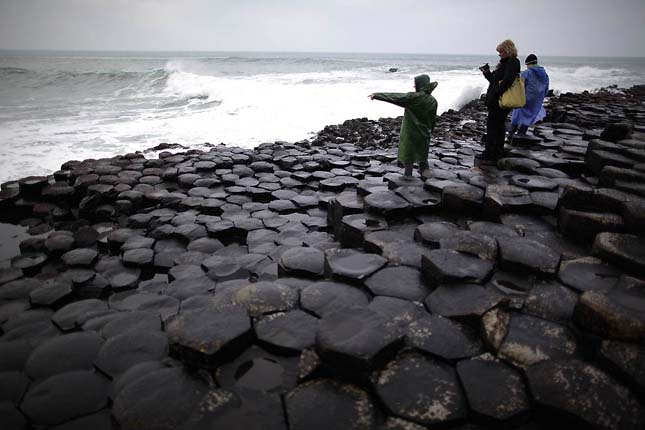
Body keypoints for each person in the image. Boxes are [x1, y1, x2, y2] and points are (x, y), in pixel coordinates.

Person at [369, 74, 438, 178]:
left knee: (408, 157)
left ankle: (407, 180)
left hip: (410, 132)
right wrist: (430, 131)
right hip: (424, 133)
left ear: (420, 84)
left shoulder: (414, 98)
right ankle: (427, 180)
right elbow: (433, 119)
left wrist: (377, 95)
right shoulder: (433, 101)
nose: (414, 87)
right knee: (422, 157)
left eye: (415, 84)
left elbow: (396, 97)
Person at [478, 39, 521, 161]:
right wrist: (487, 73)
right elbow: (495, 81)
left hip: (500, 100)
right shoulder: (505, 63)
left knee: (493, 126)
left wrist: (497, 94)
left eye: (501, 51)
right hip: (497, 99)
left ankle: (490, 153)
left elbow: (507, 81)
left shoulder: (513, 62)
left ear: (507, 50)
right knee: (498, 125)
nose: (499, 54)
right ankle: (497, 151)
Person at [508, 54, 550, 139]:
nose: (527, 67)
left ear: (528, 64)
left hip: (524, 98)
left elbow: (520, 85)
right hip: (537, 100)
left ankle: (511, 134)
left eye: (527, 65)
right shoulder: (544, 74)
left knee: (517, 116)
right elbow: (546, 87)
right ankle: (522, 133)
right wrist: (542, 96)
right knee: (530, 116)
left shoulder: (527, 72)